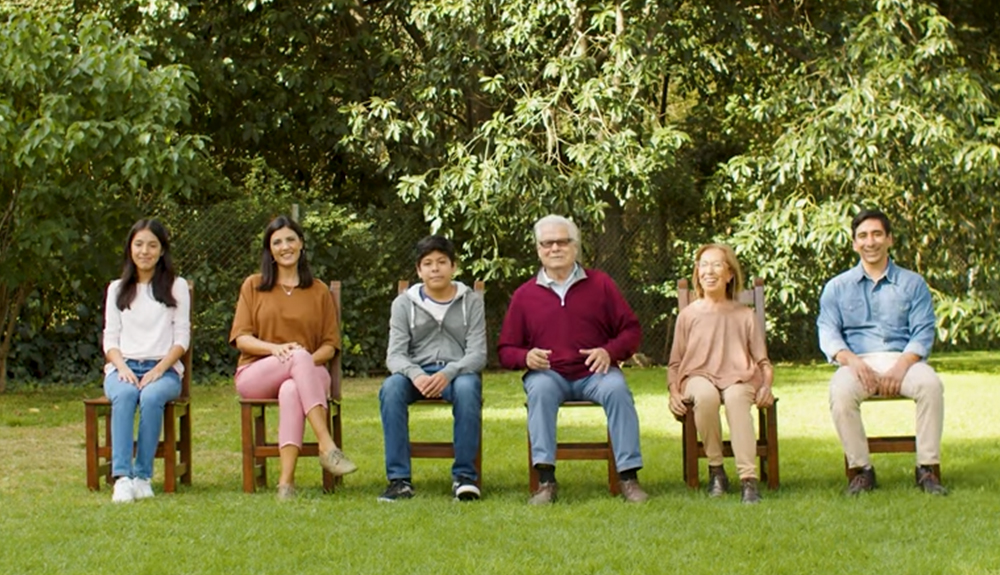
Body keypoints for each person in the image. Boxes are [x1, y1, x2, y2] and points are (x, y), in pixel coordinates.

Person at [498, 214, 647, 504]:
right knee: (539, 390)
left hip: (596, 373)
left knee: (618, 390)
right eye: (547, 243)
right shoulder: (524, 295)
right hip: (549, 375)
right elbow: (505, 349)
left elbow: (631, 329)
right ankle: (546, 482)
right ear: (538, 249)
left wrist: (609, 351)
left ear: (575, 246)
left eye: (562, 242)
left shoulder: (601, 284)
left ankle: (628, 477)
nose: (555, 248)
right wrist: (526, 356)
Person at [817, 209, 946, 495]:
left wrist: (900, 368)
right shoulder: (836, 287)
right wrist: (852, 362)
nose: (870, 241)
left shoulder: (913, 283)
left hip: (905, 360)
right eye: (862, 236)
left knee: (931, 385)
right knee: (840, 392)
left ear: (889, 239)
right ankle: (862, 471)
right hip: (856, 362)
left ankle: (927, 469)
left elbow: (923, 332)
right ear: (854, 243)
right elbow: (827, 333)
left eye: (877, 234)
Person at [230, 215, 357, 500]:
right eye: (277, 242)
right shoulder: (253, 285)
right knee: (296, 359)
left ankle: (285, 484)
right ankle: (327, 444)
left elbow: (329, 345)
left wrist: (301, 365)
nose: (284, 246)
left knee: (292, 388)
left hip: (310, 371)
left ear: (301, 245)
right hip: (257, 372)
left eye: (290, 239)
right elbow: (242, 339)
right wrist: (277, 351)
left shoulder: (319, 290)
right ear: (269, 250)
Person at [377, 236, 487, 502]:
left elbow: (478, 354)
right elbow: (395, 356)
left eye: (441, 262)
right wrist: (416, 374)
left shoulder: (471, 301)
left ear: (453, 267)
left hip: (457, 373)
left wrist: (447, 373)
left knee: (469, 387)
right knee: (390, 388)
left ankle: (464, 478)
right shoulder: (403, 304)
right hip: (416, 372)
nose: (435, 269)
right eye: (428, 263)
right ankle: (399, 480)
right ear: (419, 270)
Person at [667, 243, 774, 504]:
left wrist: (766, 386)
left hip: (740, 377)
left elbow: (763, 361)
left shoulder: (745, 315)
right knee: (704, 396)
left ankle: (748, 479)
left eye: (716, 265)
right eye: (703, 265)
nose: (709, 271)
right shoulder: (688, 315)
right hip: (697, 376)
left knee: (737, 399)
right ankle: (716, 471)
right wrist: (673, 391)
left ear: (729, 274)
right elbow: (675, 363)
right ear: (697, 274)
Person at [102, 219, 190, 503]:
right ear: (130, 248)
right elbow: (110, 340)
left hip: (164, 370)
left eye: (152, 245)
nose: (145, 251)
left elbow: (181, 339)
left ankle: (142, 476)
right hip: (122, 366)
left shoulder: (176, 287)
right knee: (126, 394)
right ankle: (123, 478)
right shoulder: (116, 289)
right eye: (139, 244)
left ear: (162, 250)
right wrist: (123, 368)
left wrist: (159, 369)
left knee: (152, 397)